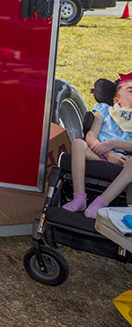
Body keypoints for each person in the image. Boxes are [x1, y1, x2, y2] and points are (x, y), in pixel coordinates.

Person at [62, 73, 132, 219]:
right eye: (131, 90)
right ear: (116, 99)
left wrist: (112, 144)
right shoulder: (105, 111)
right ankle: (79, 198)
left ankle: (100, 203)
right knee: (78, 144)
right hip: (99, 154)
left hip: (125, 162)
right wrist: (108, 153)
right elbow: (91, 135)